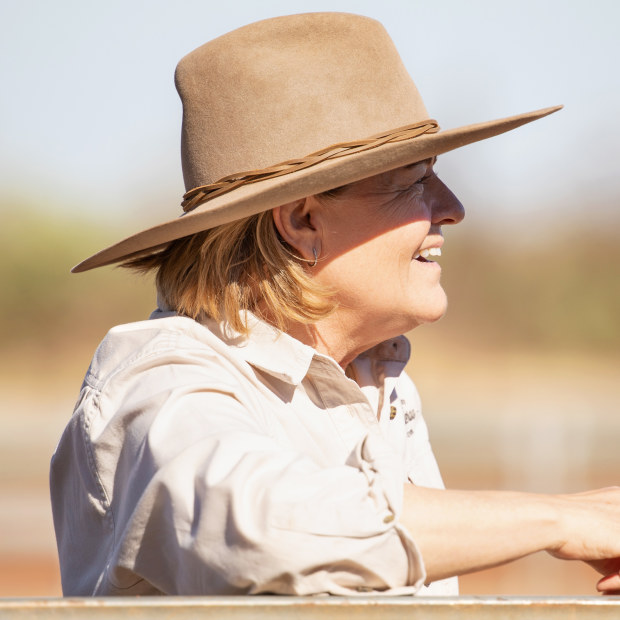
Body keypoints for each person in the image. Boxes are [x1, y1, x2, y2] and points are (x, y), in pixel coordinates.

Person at [50, 12, 620, 597]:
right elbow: (264, 532)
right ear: (302, 220)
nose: (452, 207)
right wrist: (562, 519)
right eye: (414, 182)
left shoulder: (382, 386)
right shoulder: (159, 382)